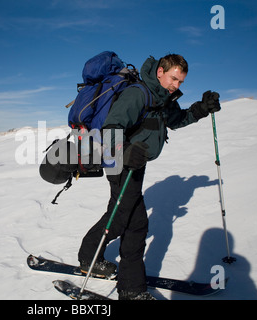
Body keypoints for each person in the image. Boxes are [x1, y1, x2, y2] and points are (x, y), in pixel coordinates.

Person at [77, 54, 221, 300]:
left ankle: (89, 255)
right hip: (120, 163)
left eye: (181, 82)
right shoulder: (138, 94)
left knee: (119, 213)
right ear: (160, 72)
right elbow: (111, 129)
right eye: (174, 78)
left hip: (136, 164)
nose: (176, 85)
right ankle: (131, 290)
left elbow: (177, 120)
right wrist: (126, 151)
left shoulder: (163, 98)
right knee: (136, 224)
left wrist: (201, 109)